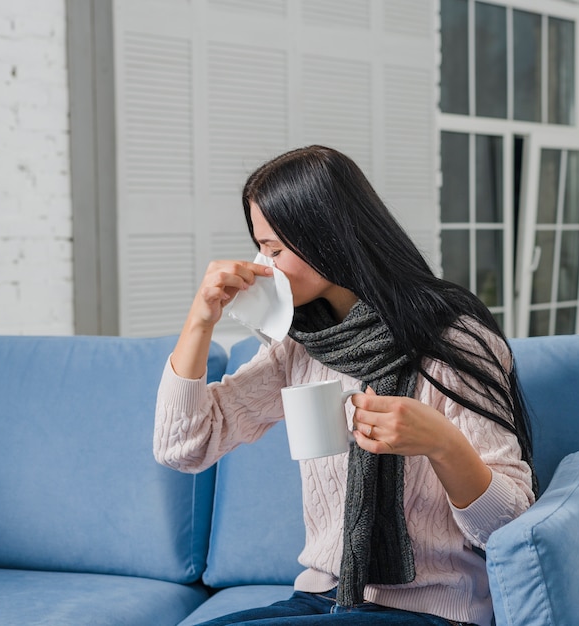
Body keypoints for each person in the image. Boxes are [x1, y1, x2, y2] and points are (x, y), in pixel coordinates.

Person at [154, 145, 537, 626]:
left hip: (434, 610)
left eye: (274, 249)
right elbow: (183, 447)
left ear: (325, 236)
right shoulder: (298, 345)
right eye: (259, 247)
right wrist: (200, 321)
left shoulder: (453, 342)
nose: (262, 264)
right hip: (325, 599)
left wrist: (442, 443)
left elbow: (510, 527)